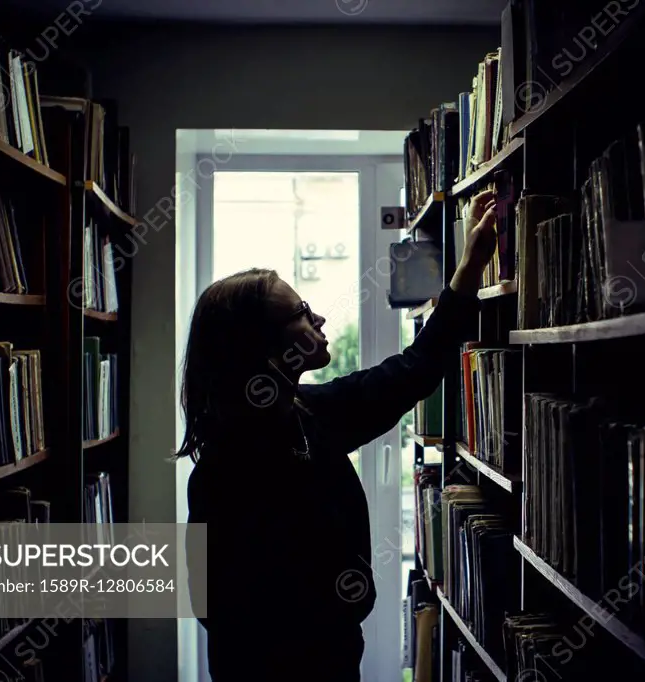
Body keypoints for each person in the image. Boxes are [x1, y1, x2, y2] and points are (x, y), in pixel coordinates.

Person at [179, 189, 498, 681]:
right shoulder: (223, 474)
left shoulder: (308, 414)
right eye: (302, 312)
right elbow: (218, 612)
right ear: (264, 350)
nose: (320, 319)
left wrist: (471, 266)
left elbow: (412, 370)